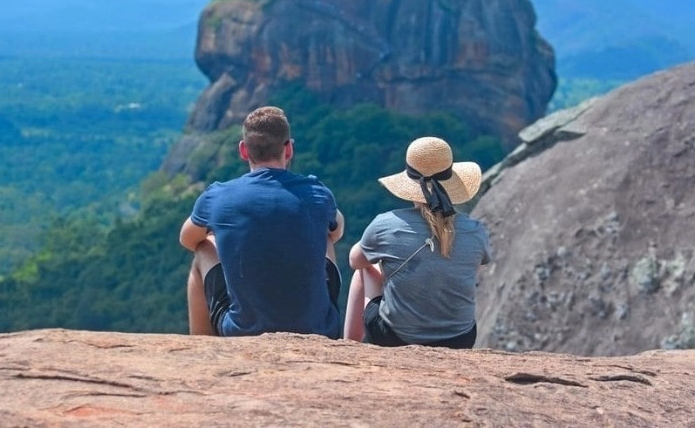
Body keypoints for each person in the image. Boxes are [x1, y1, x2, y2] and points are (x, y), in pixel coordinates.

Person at [179, 106, 344, 339]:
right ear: (289, 149)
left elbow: (187, 239)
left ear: (244, 151)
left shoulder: (217, 197)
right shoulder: (318, 192)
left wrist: (225, 238)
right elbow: (337, 230)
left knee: (203, 248)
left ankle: (203, 346)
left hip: (241, 332)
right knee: (325, 234)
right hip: (320, 330)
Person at [343, 136, 491, 348]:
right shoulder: (476, 231)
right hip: (460, 339)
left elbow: (355, 261)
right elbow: (470, 272)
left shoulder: (386, 224)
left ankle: (349, 345)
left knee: (365, 269)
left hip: (394, 338)